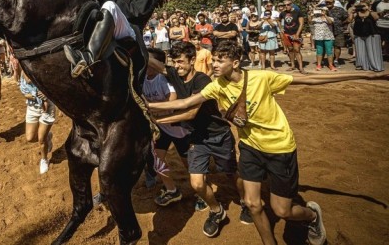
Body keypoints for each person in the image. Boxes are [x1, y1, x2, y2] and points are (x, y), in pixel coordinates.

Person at [148, 41, 387, 245]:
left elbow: (310, 80)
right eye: (214, 61)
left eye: (220, 61)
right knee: (253, 204)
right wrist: (145, 106)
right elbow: (183, 104)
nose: (214, 65)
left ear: (236, 61)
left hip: (279, 147)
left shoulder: (262, 78)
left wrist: (367, 74)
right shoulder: (216, 85)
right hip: (250, 147)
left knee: (282, 209)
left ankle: (312, 216)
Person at [151, 41, 251, 236]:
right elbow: (152, 62)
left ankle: (246, 201)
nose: (177, 66)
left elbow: (190, 113)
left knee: (230, 172)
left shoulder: (202, 80)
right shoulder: (173, 73)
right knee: (196, 183)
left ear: (192, 60)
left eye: (181, 62)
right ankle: (216, 211)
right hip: (197, 138)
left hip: (218, 135)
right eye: (175, 62)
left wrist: (157, 119)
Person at [64, 0, 170, 78]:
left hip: (131, 30)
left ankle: (89, 57)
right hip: (121, 25)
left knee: (110, 5)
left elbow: (134, 12)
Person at [143, 48, 187, 207]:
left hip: (179, 129)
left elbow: (172, 103)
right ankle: (172, 190)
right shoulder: (142, 79)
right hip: (162, 129)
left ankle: (201, 193)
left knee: (189, 165)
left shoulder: (165, 80)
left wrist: (150, 108)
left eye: (147, 61)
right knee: (157, 162)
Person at [19, 70, 56, 174]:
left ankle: (44, 159)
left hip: (47, 107)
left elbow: (54, 87)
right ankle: (48, 136)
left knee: (41, 139)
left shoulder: (43, 70)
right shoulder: (23, 71)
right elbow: (25, 94)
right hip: (32, 108)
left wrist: (46, 95)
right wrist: (36, 95)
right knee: (30, 138)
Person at [348, 0, 383, 72]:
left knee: (372, 51)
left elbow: (376, 18)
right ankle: (362, 65)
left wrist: (369, 10)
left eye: (363, 5)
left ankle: (375, 66)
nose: (361, 7)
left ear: (368, 6)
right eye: (360, 6)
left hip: (372, 34)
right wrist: (352, 12)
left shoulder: (372, 13)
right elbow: (349, 20)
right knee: (360, 51)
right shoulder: (356, 13)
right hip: (359, 34)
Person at [280, 0, 307, 74]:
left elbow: (301, 24)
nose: (286, 6)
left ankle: (301, 67)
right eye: (285, 5)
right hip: (287, 34)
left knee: (297, 50)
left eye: (288, 4)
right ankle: (292, 65)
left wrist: (298, 34)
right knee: (290, 50)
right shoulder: (283, 13)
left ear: (291, 4)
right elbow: (278, 20)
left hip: (295, 33)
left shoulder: (298, 12)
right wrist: (281, 28)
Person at [308, 6, 336, 71]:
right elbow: (310, 22)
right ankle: (319, 65)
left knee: (329, 51)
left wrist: (325, 16)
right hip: (318, 37)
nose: (321, 11)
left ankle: (331, 65)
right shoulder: (316, 19)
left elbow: (330, 22)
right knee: (319, 51)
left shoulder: (330, 18)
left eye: (323, 10)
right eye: (321, 10)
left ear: (327, 11)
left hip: (328, 37)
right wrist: (310, 15)